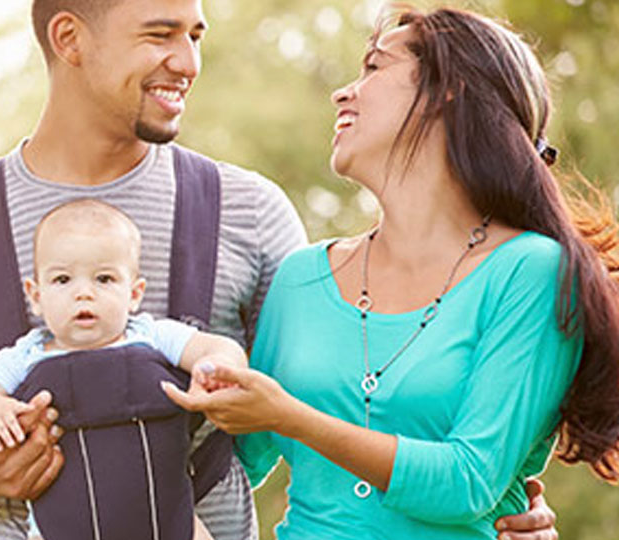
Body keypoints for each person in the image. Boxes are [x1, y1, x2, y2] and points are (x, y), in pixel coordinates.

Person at [0, 0, 558, 539]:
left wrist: (497, 495)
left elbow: (310, 411)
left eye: (195, 36)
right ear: (69, 39)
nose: (188, 63)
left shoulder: (251, 213)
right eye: (160, 34)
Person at [163, 6, 619, 540]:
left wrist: (290, 416)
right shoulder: (301, 279)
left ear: (447, 91)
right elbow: (227, 465)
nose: (343, 93)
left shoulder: (531, 272)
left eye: (375, 67)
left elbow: (468, 482)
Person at [0, 198, 249, 539]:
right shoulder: (27, 354)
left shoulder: (151, 335)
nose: (84, 293)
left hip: (168, 524)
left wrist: (215, 369)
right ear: (36, 296)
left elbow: (219, 348)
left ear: (134, 293)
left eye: (104, 278)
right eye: (63, 279)